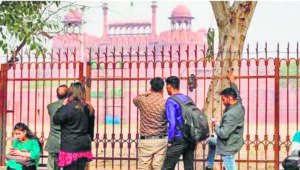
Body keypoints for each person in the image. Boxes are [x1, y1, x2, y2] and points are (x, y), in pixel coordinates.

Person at [206, 70, 245, 170]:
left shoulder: (231, 114)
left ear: (230, 98)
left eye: (224, 100)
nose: (223, 102)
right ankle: (209, 166)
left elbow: (223, 134)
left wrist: (216, 126)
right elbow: (237, 94)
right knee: (211, 142)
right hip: (234, 140)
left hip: (228, 145)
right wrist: (232, 81)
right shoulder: (238, 104)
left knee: (229, 165)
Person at [53, 82, 95, 170]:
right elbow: (91, 130)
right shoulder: (88, 108)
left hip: (70, 146)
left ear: (70, 93)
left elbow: (56, 119)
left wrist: (63, 106)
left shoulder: (68, 108)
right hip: (83, 146)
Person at [161, 76, 196, 170]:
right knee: (189, 167)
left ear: (169, 86)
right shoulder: (188, 99)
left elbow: (172, 123)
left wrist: (170, 140)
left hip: (178, 138)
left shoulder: (171, 101)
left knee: (167, 167)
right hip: (190, 138)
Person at [133, 77, 168, 170]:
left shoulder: (143, 100)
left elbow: (135, 99)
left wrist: (146, 93)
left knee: (143, 167)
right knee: (158, 167)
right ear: (162, 89)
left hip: (146, 140)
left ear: (151, 87)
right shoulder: (165, 103)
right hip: (160, 140)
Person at [45, 84, 68, 170]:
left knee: (52, 166)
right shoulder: (70, 107)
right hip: (66, 141)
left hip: (53, 141)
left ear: (57, 95)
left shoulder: (50, 106)